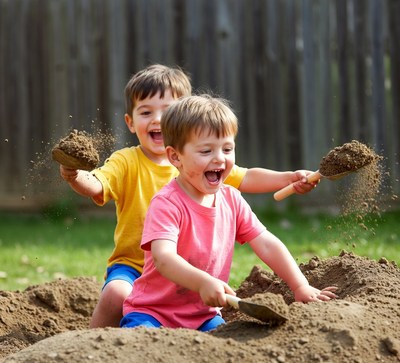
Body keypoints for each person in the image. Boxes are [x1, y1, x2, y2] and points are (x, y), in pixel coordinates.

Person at [59, 64, 318, 328]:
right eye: (147, 112)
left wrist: (288, 179)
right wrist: (74, 175)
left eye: (227, 149)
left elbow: (260, 222)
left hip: (196, 299)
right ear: (176, 155)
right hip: (141, 273)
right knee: (118, 293)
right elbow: (99, 185)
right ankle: (93, 342)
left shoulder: (220, 185)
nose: (159, 119)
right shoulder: (138, 171)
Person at [121, 95, 337, 331]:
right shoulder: (167, 203)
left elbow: (266, 243)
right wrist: (202, 282)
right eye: (206, 151)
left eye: (227, 148)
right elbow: (164, 259)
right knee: (143, 344)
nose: (220, 158)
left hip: (203, 316)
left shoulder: (231, 199)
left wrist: (300, 286)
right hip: (153, 313)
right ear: (175, 157)